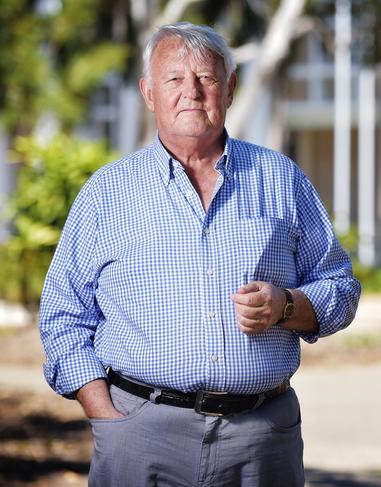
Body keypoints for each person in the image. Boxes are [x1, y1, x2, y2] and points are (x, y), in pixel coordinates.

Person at [39, 22, 361, 487]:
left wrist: (285, 305)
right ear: (149, 92)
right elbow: (62, 316)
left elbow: (341, 287)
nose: (190, 91)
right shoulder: (105, 194)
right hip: (139, 436)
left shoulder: (281, 179)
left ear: (228, 88)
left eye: (206, 78)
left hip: (261, 440)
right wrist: (106, 417)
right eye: (173, 79)